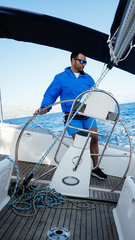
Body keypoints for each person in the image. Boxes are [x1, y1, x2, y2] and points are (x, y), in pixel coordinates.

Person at [34, 50, 107, 180]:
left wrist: (103, 110)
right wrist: (44, 108)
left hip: (88, 114)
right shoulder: (60, 78)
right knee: (80, 143)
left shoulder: (88, 78)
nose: (84, 64)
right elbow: (51, 94)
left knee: (94, 139)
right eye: (82, 61)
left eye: (86, 62)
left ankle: (95, 168)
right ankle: (80, 168)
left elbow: (96, 96)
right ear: (73, 60)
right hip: (72, 116)